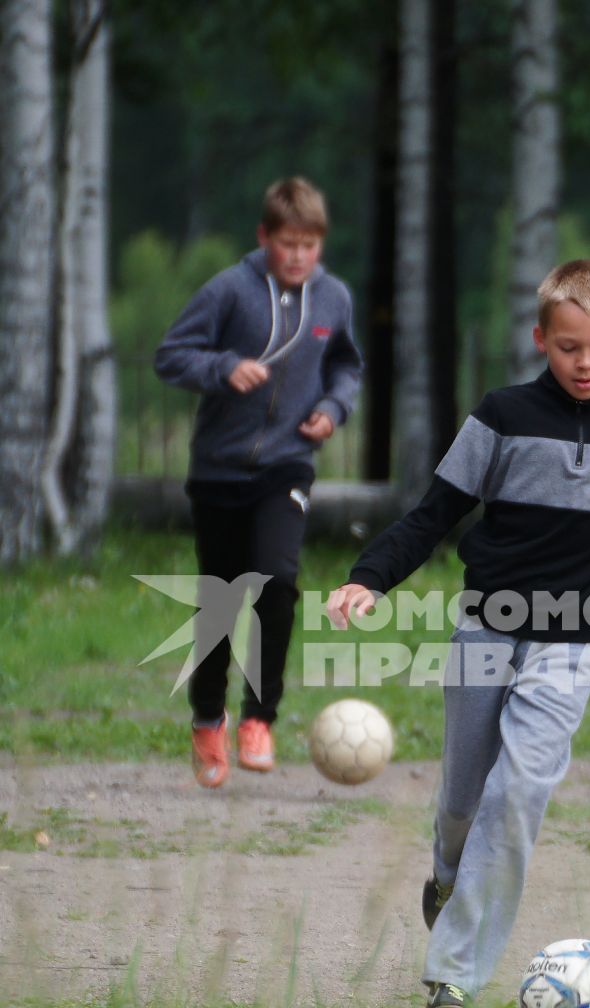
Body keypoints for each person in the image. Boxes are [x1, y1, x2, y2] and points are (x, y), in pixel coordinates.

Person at [325, 260, 590, 1008]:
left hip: (574, 639)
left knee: (519, 792)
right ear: (541, 339)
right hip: (487, 627)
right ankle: (447, 876)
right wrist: (370, 577)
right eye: (567, 347)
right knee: (464, 797)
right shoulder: (501, 415)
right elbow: (435, 512)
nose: (583, 363)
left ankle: (452, 975)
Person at [154, 176, 364, 789]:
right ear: (264, 238)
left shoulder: (334, 299)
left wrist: (333, 407)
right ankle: (206, 719)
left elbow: (347, 365)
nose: (298, 256)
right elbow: (172, 355)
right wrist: (223, 367)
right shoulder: (230, 290)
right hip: (219, 469)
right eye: (287, 244)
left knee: (278, 581)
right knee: (221, 596)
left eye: (309, 245)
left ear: (320, 244)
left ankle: (259, 720)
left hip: (288, 463)